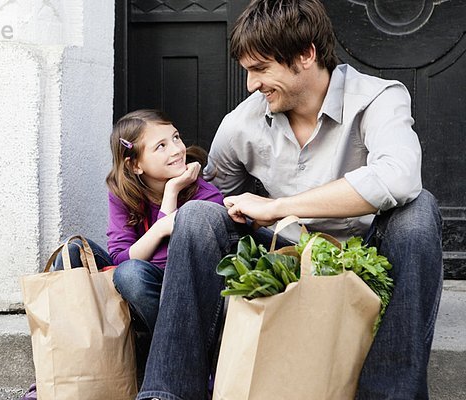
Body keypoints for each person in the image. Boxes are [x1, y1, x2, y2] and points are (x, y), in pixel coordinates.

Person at [136, 1, 443, 399]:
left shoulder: (378, 98)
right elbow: (213, 197)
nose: (250, 84)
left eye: (260, 69)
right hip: (284, 256)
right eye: (247, 71)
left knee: (419, 211)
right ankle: (167, 393)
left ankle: (391, 394)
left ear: (305, 55)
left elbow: (399, 177)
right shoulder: (242, 123)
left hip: (366, 259)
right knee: (198, 217)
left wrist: (280, 207)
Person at [52, 109, 224, 376]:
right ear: (135, 165)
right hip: (135, 286)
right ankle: (67, 367)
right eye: (161, 146)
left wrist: (173, 191)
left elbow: (167, 264)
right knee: (72, 251)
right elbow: (119, 255)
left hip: (181, 293)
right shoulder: (123, 193)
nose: (177, 149)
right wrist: (160, 228)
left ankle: (178, 359)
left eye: (176, 137)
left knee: (132, 274)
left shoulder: (204, 195)